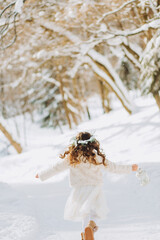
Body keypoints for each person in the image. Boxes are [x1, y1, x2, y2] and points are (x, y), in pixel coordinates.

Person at [35, 132, 138, 240]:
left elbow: (56, 168)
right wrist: (130, 168)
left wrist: (41, 175)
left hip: (79, 190)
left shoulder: (72, 158)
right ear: (92, 144)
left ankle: (85, 232)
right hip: (95, 188)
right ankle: (90, 226)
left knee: (85, 213)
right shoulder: (96, 157)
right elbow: (114, 167)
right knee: (97, 213)